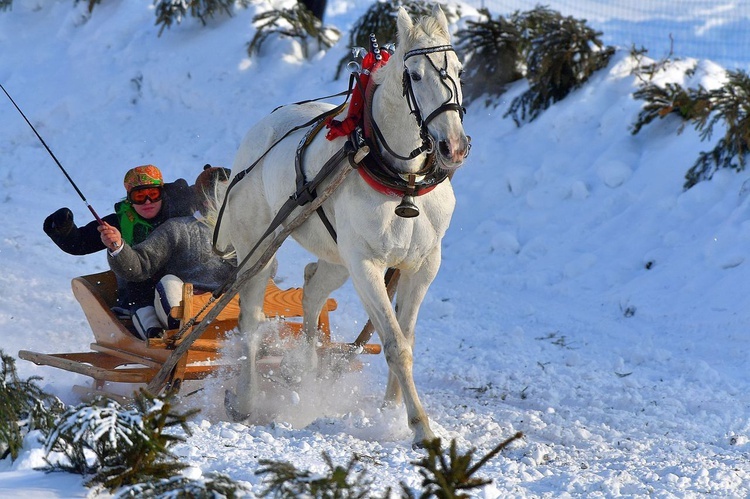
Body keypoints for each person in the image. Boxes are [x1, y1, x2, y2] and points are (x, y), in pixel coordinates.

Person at [43, 164, 200, 337]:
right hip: (141, 288)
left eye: (153, 194)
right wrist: (63, 230)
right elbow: (80, 243)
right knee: (138, 288)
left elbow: (212, 193)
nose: (148, 201)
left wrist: (219, 179)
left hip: (186, 282)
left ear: (162, 193)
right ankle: (153, 332)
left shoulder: (184, 204)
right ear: (129, 199)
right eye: (139, 196)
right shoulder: (119, 222)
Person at [99, 166, 236, 339]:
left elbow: (261, 269)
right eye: (223, 194)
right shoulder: (177, 228)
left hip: (229, 304)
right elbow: (140, 266)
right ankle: (180, 332)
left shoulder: (240, 230)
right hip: (187, 302)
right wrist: (118, 247)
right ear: (207, 199)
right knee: (168, 282)